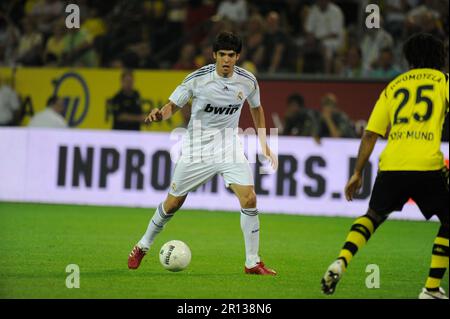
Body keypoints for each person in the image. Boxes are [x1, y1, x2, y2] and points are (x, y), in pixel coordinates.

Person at [128, 32, 278, 275]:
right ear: (214, 56)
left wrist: (264, 143)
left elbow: (257, 108)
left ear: (238, 56)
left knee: (249, 198)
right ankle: (143, 245)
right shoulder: (197, 79)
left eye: (231, 55)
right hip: (196, 149)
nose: (227, 60)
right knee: (173, 203)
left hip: (228, 147)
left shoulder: (248, 81)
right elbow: (172, 106)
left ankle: (252, 262)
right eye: (222, 55)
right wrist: (160, 114)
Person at [321, 33, 449, 299]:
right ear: (440, 58)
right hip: (427, 164)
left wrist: (357, 173)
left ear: (409, 58)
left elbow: (370, 134)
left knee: (372, 217)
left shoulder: (393, 86)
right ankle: (432, 289)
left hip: (391, 164)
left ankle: (341, 260)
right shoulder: (443, 81)